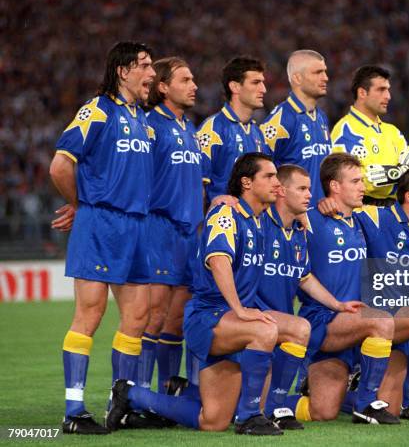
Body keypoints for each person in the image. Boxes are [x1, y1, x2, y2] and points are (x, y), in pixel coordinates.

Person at [106, 153, 292, 436]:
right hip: (209, 318)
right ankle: (251, 416)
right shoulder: (226, 214)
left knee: (213, 421)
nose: (276, 183)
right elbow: (219, 261)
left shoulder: (258, 219)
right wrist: (240, 310)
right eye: (269, 176)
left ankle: (130, 394)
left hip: (229, 322)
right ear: (246, 182)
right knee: (264, 331)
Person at [49, 41, 156, 434]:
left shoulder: (142, 118)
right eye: (144, 65)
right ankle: (73, 411)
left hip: (137, 226)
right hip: (101, 222)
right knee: (90, 314)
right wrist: (81, 205)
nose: (152, 74)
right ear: (123, 71)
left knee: (138, 315)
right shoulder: (97, 109)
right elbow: (60, 165)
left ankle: (120, 401)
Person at [286, 153, 399, 425]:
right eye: (356, 181)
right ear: (335, 186)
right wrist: (224, 199)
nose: (363, 187)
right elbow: (276, 212)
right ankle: (366, 404)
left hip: (351, 322)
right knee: (382, 322)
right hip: (323, 320)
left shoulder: (360, 221)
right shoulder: (309, 219)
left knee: (322, 412)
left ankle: (258, 400)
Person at [256, 164, 363, 429]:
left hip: (284, 325)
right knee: (218, 413)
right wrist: (223, 200)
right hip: (257, 322)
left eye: (309, 189)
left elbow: (304, 277)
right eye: (302, 188)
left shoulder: (297, 231)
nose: (309, 195)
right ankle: (144, 395)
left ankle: (281, 404)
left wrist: (338, 304)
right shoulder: (260, 223)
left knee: (324, 411)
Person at [135, 57, 204, 403]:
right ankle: (138, 393)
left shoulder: (189, 128)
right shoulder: (150, 127)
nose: (194, 86)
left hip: (190, 236)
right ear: (163, 86)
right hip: (159, 230)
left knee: (176, 319)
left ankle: (166, 395)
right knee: (153, 315)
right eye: (185, 79)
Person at [354, 168, 409, 419]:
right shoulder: (377, 217)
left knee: (389, 405)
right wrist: (325, 202)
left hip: (400, 325)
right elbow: (344, 211)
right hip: (376, 318)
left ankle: (364, 388)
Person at [331, 65, 409, 205]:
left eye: (388, 89)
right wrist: (403, 171)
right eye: (381, 90)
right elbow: (361, 181)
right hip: (362, 214)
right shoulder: (345, 130)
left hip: (395, 211)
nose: (388, 96)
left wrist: (388, 174)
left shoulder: (392, 131)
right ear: (362, 93)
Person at [196, 56, 269, 207]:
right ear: (235, 87)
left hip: (255, 226)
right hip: (225, 224)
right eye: (256, 82)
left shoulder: (258, 133)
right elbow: (196, 184)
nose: (263, 89)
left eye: (262, 82)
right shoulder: (213, 129)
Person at [260, 50, 332, 204]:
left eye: (325, 72)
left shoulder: (321, 117)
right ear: (297, 78)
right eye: (318, 72)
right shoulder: (280, 120)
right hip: (290, 221)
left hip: (319, 215)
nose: (325, 78)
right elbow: (257, 170)